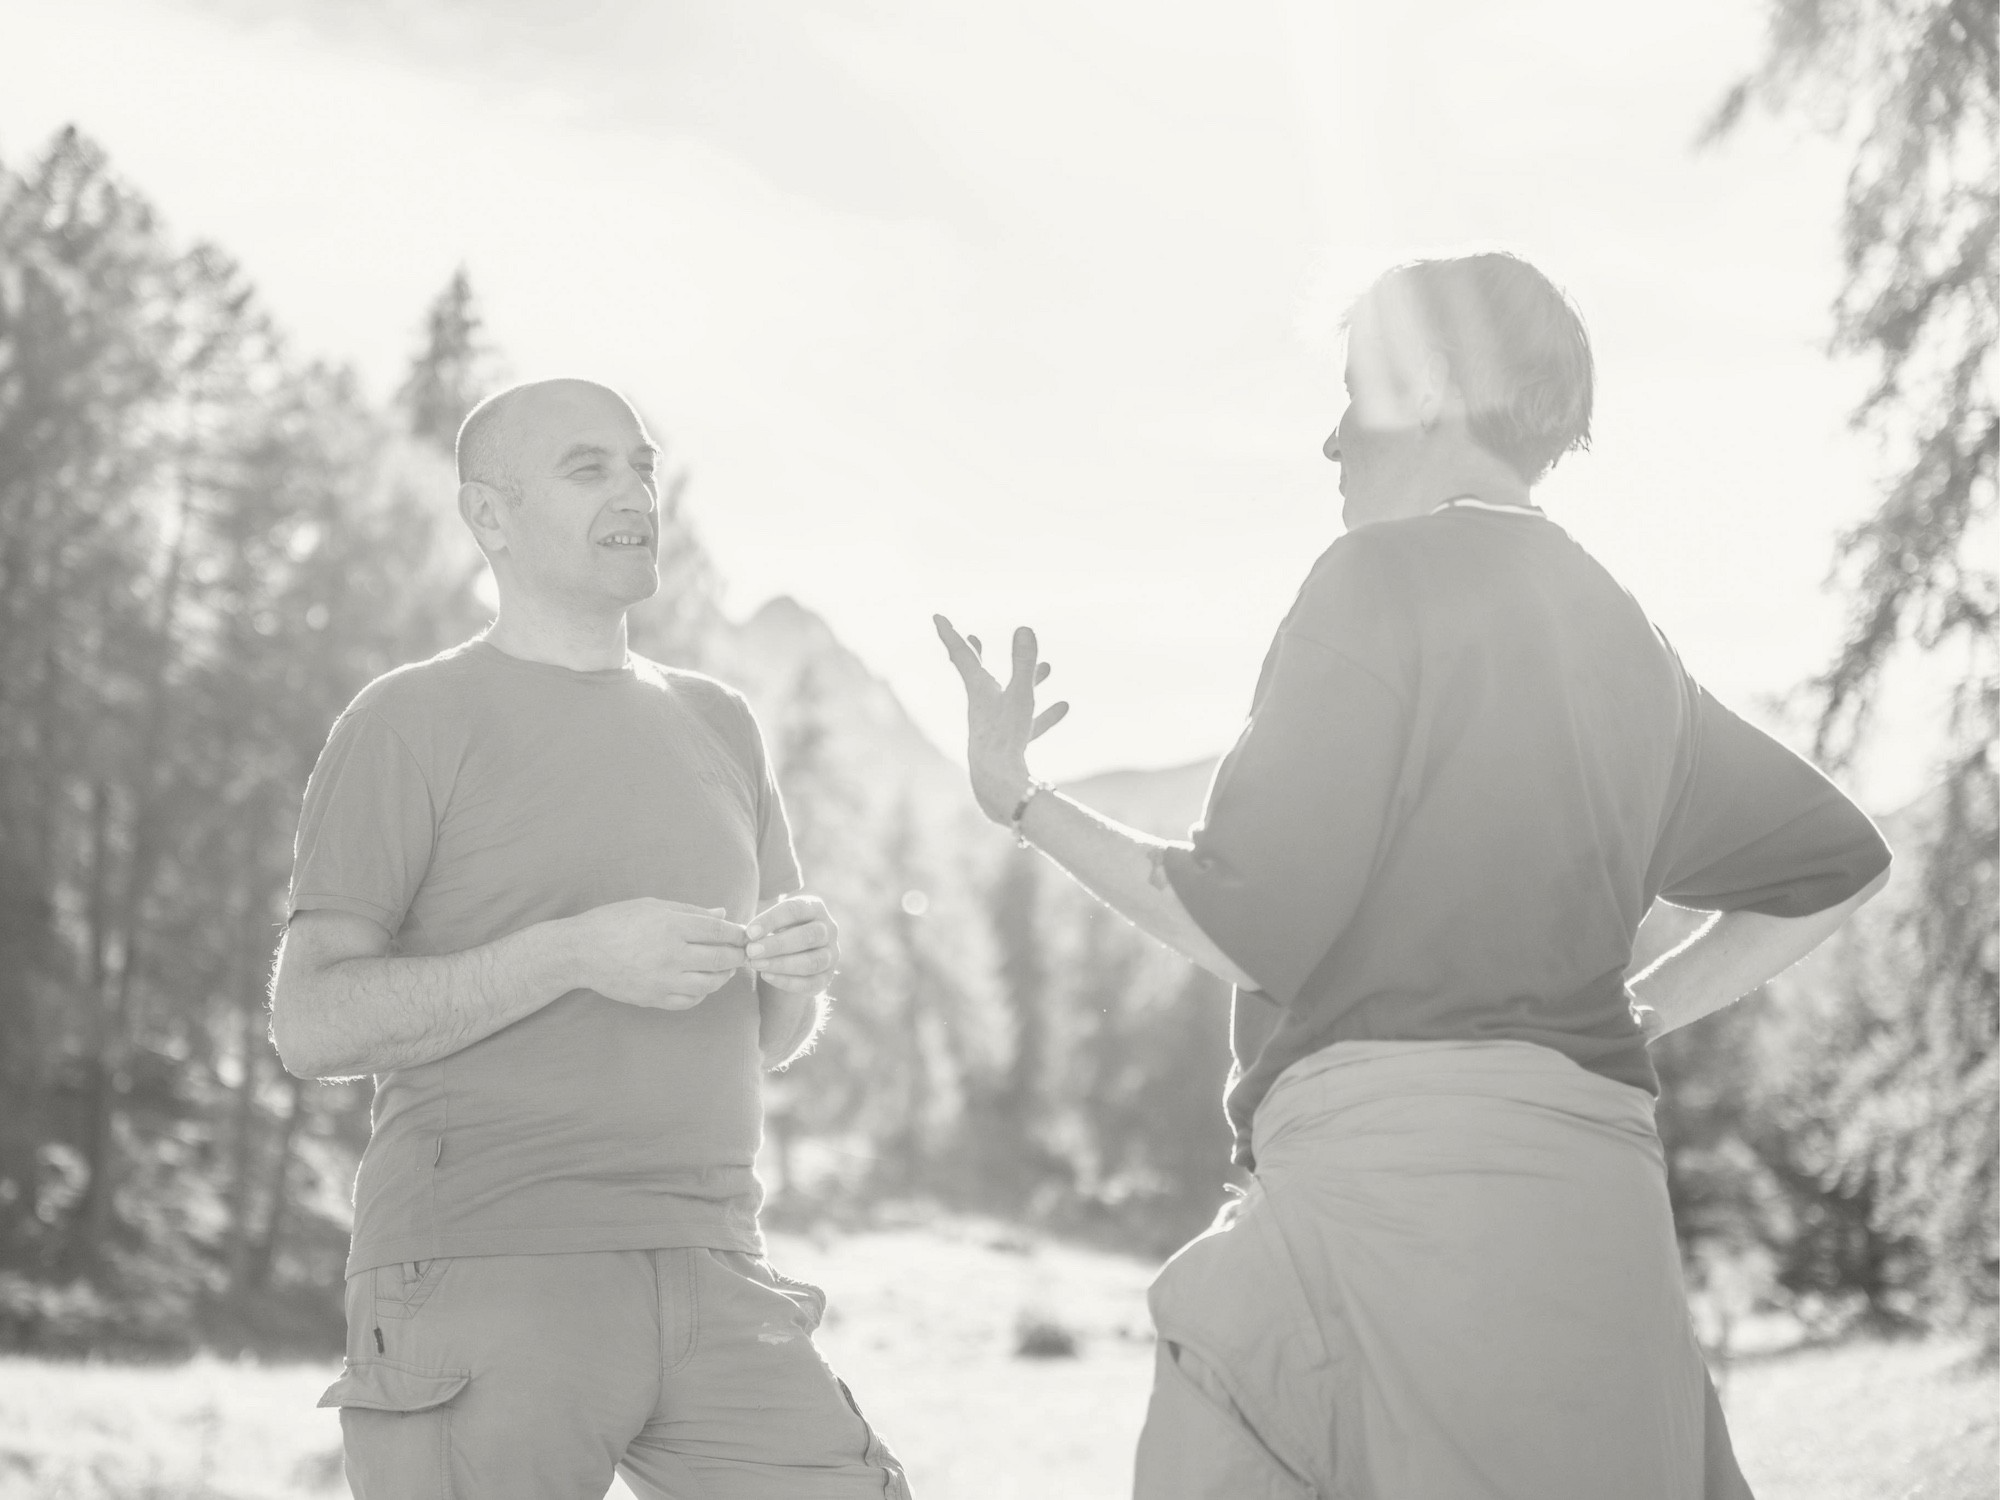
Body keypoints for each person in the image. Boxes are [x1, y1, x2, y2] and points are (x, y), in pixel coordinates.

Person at [936, 252, 1891, 1500]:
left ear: (1434, 384)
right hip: (1598, 1215)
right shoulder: (1626, 637)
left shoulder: (1371, 580)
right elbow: (1834, 865)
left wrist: (1021, 802)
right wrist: (1635, 1010)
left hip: (1388, 1205)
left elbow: (1240, 924)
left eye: (1353, 391)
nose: (1332, 440)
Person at [270, 378, 910, 1500]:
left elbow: (763, 1033)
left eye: (643, 466)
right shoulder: (406, 721)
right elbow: (310, 1021)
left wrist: (801, 969)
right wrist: (568, 954)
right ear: (488, 516)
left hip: (717, 1267)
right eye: (589, 468)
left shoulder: (719, 722)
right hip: (484, 1262)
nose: (636, 493)